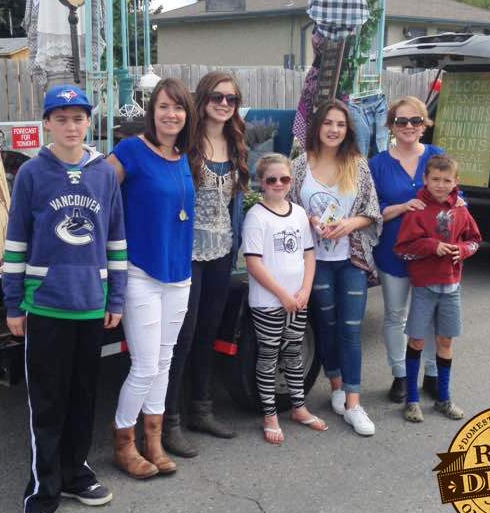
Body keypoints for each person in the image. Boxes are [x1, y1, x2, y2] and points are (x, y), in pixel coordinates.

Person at [2, 85, 127, 513]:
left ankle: (76, 474)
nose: (72, 126)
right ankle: (40, 494)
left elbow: (115, 238)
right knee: (48, 403)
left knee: (83, 398)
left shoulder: (103, 174)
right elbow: (15, 241)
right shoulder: (33, 174)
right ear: (47, 124)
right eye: (62, 118)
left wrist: (116, 298)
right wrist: (13, 302)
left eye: (79, 118)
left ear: (88, 122)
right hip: (47, 304)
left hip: (91, 305)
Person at [107, 78, 196, 478]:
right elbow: (98, 195)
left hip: (178, 274)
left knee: (164, 360)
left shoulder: (182, 156)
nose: (170, 114)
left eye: (177, 108)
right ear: (152, 111)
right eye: (163, 107)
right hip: (141, 271)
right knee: (143, 365)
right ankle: (123, 444)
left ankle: (154, 442)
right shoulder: (130, 150)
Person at [162, 71, 249, 457]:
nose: (224, 104)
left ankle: (202, 409)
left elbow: (235, 203)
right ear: (203, 98)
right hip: (187, 252)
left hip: (221, 252)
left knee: (207, 332)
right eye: (217, 96)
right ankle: (168, 421)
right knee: (183, 336)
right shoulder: (186, 141)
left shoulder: (235, 142)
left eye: (231, 99)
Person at [289, 100, 382, 436]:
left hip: (351, 259)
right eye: (328, 123)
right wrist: (309, 219)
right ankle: (337, 388)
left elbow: (373, 211)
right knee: (326, 327)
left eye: (340, 124)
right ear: (318, 127)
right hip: (316, 261)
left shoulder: (357, 164)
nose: (333, 129)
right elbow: (288, 207)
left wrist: (349, 224)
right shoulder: (300, 165)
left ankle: (355, 404)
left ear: (348, 130)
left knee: (350, 328)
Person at [242, 154, 326, 444]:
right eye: (272, 179)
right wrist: (282, 296)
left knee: (293, 353)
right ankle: (270, 413)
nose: (279, 184)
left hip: (297, 299)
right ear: (261, 182)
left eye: (284, 179)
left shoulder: (299, 213)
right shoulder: (256, 216)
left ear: (291, 181)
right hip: (269, 302)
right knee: (268, 355)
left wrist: (304, 292)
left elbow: (308, 255)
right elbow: (254, 263)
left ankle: (298, 407)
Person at [368, 96, 446, 404]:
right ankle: (400, 375)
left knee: (428, 315)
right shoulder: (378, 164)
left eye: (415, 121)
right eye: (401, 121)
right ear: (391, 126)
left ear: (424, 125)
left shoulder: (436, 156)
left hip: (431, 253)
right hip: (393, 251)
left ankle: (431, 374)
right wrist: (401, 206)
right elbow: (371, 209)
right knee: (396, 315)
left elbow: (454, 193)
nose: (408, 127)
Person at [393, 155, 481, 422]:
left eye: (446, 180)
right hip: (424, 286)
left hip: (451, 286)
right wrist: (431, 246)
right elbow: (402, 249)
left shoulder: (461, 210)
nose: (440, 185)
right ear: (425, 180)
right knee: (417, 340)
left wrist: (462, 250)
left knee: (445, 341)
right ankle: (412, 400)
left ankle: (443, 398)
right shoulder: (417, 210)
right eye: (435, 180)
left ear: (455, 182)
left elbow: (475, 240)